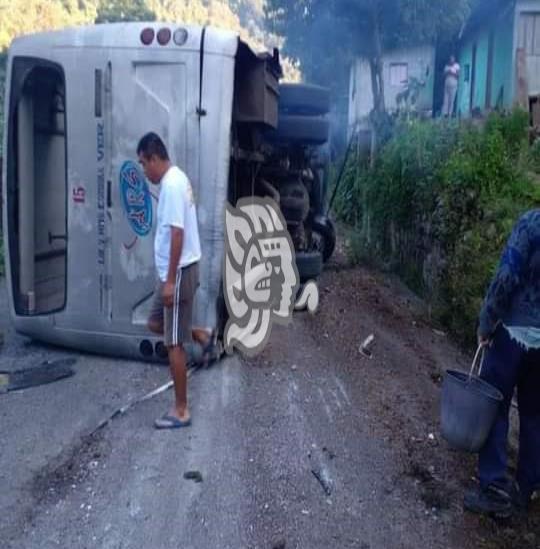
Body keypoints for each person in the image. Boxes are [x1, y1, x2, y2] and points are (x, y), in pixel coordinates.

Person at [464, 209, 540, 517]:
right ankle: (525, 490)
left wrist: (487, 320)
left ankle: (494, 487)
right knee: (535, 416)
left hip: (512, 333)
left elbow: (507, 276)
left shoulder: (532, 223)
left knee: (494, 405)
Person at [137, 132, 212, 429]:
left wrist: (169, 282)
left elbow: (177, 234)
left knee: (173, 344)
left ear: (155, 158)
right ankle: (202, 335)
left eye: (144, 164)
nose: (144, 171)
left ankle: (181, 411)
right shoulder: (177, 177)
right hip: (176, 272)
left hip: (178, 274)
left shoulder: (170, 186)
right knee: (156, 323)